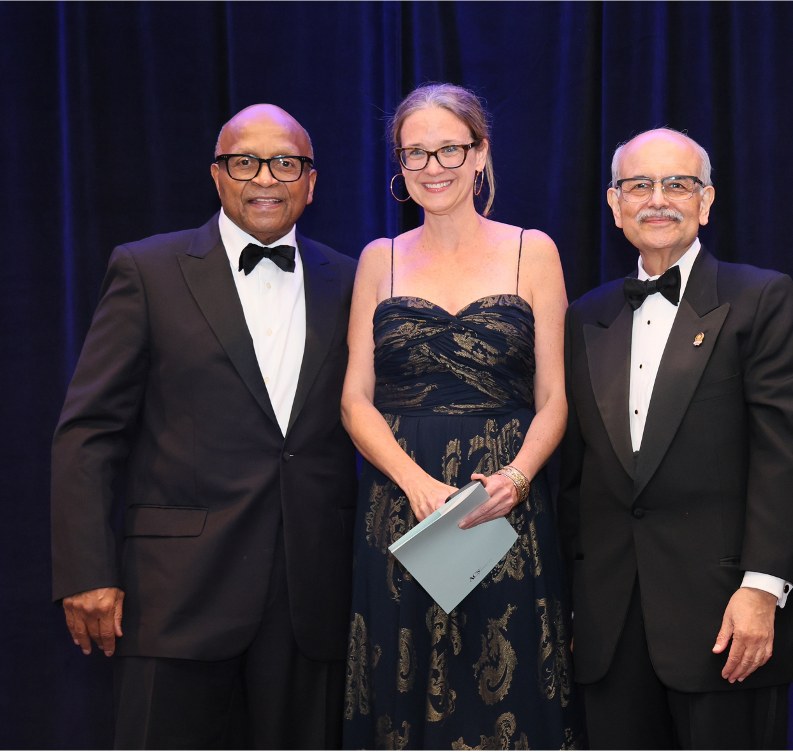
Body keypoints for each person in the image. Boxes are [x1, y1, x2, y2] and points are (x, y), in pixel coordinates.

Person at [51, 104, 358, 750]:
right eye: (244, 162)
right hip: (175, 598)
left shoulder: (353, 280)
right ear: (217, 176)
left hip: (311, 599)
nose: (265, 178)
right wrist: (86, 569)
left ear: (311, 182)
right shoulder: (147, 271)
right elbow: (88, 432)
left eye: (286, 163)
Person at [559, 128, 793, 751]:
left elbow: (788, 458)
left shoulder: (760, 297)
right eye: (639, 185)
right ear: (614, 203)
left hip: (727, 622)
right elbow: (576, 478)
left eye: (677, 184)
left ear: (706, 202)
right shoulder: (584, 318)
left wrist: (763, 590)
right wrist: (576, 606)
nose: (658, 199)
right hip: (610, 630)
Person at [340, 83, 584, 750]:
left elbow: (555, 397)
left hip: (501, 505)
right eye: (414, 153)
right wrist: (413, 483)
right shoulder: (377, 259)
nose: (432, 167)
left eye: (449, 148)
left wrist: (518, 478)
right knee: (402, 693)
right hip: (401, 506)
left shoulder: (531, 251)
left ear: (480, 155)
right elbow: (354, 399)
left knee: (507, 696)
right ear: (398, 164)